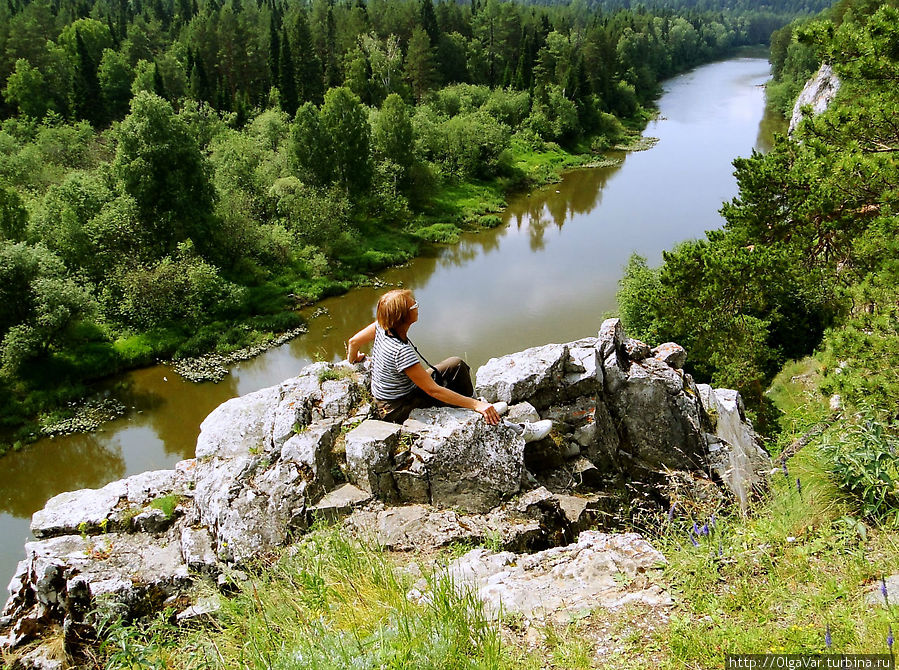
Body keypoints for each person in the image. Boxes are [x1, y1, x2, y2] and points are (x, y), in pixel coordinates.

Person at [346, 289, 552, 441]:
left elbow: (353, 342)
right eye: (414, 305)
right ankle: (516, 432)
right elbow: (433, 390)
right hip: (397, 407)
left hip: (401, 392)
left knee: (456, 365)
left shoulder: (382, 326)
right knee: (462, 406)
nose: (417, 306)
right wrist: (476, 406)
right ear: (403, 317)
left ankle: (476, 405)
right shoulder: (400, 351)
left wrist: (353, 359)